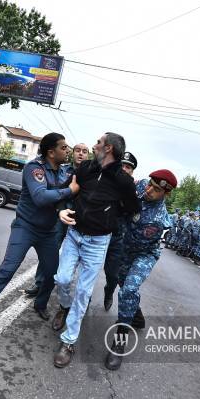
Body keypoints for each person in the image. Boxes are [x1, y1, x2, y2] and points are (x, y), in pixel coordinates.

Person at [0, 133, 77, 354]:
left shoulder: (64, 171)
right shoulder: (34, 168)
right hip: (25, 227)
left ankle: (40, 304)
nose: (68, 150)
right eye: (64, 147)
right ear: (51, 152)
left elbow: (60, 200)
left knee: (51, 273)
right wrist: (70, 191)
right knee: (6, 270)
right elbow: (40, 197)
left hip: (49, 232)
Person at [52, 132, 140, 369]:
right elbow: (67, 189)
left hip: (98, 243)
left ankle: (68, 341)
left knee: (83, 291)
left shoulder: (124, 181)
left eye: (98, 143)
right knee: (61, 279)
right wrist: (61, 209)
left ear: (108, 148)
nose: (94, 145)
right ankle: (63, 306)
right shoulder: (86, 168)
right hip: (73, 235)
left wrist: (109, 217)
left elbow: (132, 209)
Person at [105, 169, 176, 371]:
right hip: (124, 250)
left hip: (143, 254)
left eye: (155, 189)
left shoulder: (159, 219)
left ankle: (120, 341)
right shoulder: (141, 186)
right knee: (122, 284)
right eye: (150, 184)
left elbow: (135, 233)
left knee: (128, 289)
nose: (149, 190)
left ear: (165, 193)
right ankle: (135, 313)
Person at [24, 142, 91, 298]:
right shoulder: (62, 170)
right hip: (60, 215)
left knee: (85, 258)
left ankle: (83, 295)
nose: (81, 153)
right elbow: (55, 190)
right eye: (78, 150)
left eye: (85, 151)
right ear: (72, 153)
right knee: (50, 250)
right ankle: (40, 283)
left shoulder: (91, 172)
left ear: (88, 155)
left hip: (81, 220)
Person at [101, 151, 138, 311]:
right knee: (89, 272)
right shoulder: (105, 181)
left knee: (113, 275)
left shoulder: (134, 190)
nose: (124, 168)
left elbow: (136, 214)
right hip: (98, 234)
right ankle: (84, 302)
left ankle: (109, 291)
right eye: (122, 165)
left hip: (117, 238)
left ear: (132, 171)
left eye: (128, 167)